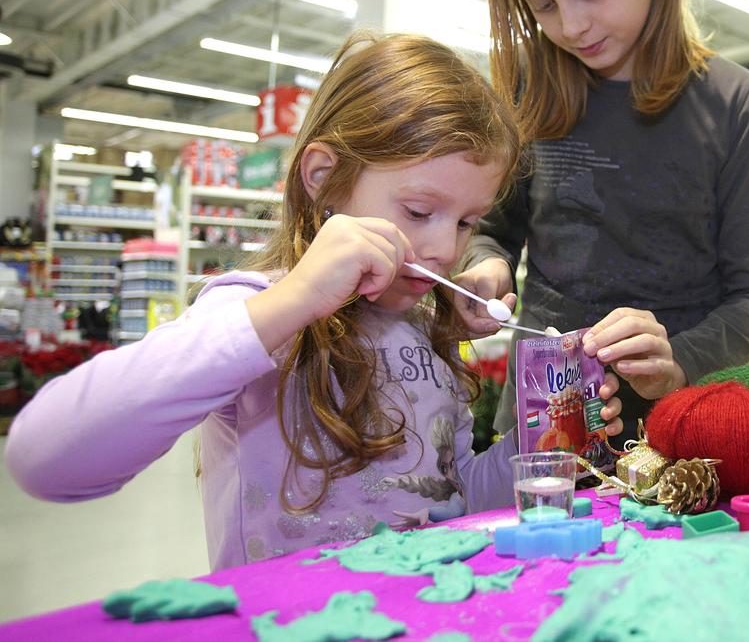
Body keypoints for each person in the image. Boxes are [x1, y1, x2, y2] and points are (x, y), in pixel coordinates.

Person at [6, 33, 624, 570]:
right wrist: (293, 301)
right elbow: (44, 458)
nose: (442, 248)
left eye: (466, 223)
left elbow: (455, 496)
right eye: (418, 211)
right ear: (324, 179)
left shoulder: (426, 335)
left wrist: (541, 439)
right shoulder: (257, 307)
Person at [454, 0, 749, 439]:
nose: (572, 25)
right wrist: (483, 271)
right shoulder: (527, 89)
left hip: (689, 430)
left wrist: (678, 359)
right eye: (543, 6)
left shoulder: (735, 104)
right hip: (546, 426)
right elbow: (491, 233)